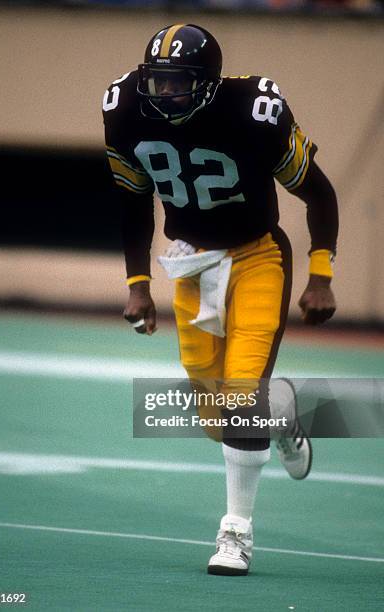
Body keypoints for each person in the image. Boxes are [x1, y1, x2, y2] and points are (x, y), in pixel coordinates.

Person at [102, 24, 338, 576]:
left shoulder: (253, 110)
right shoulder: (124, 109)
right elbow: (134, 202)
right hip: (191, 260)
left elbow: (318, 191)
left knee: (239, 395)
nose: (164, 95)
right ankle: (280, 414)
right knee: (214, 411)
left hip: (258, 256)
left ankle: (236, 531)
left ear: (208, 85)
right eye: (156, 83)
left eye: (178, 84)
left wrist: (321, 273)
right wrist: (138, 285)